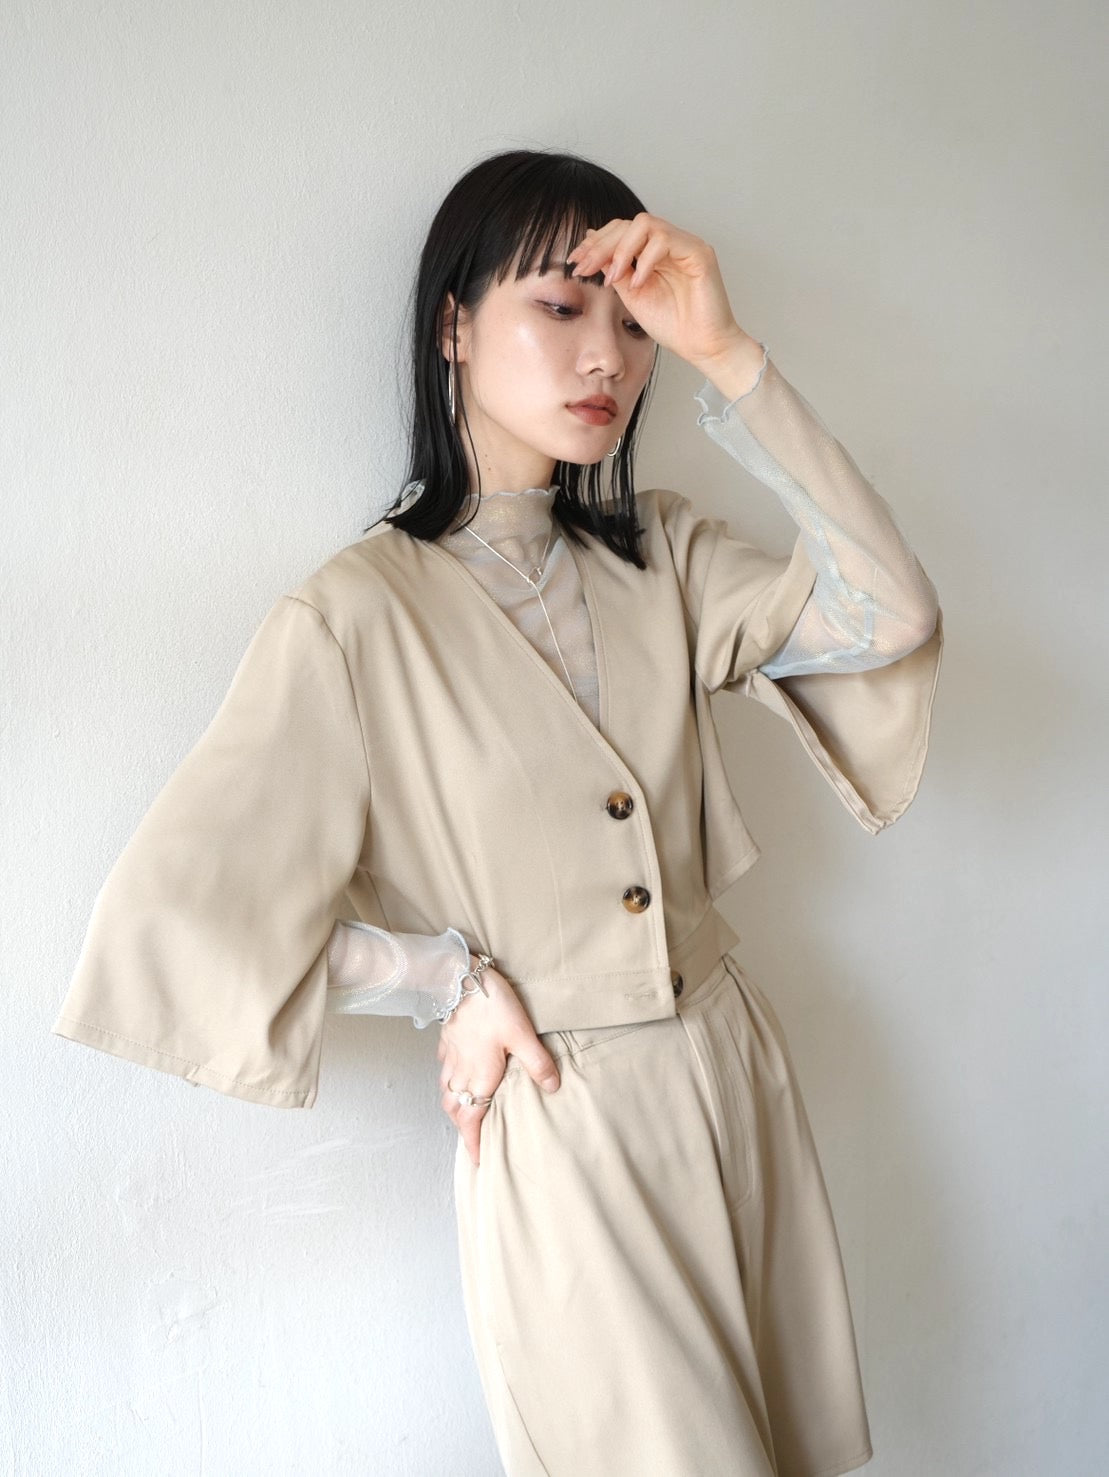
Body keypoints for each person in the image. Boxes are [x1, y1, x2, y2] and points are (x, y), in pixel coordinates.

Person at [52, 148, 942, 1476]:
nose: (607, 358)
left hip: (732, 1067)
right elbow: (178, 917)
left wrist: (728, 354)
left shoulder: (663, 554)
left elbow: (888, 614)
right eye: (561, 306)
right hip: (562, 1109)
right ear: (453, 327)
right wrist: (446, 979)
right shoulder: (354, 616)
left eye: (631, 326)